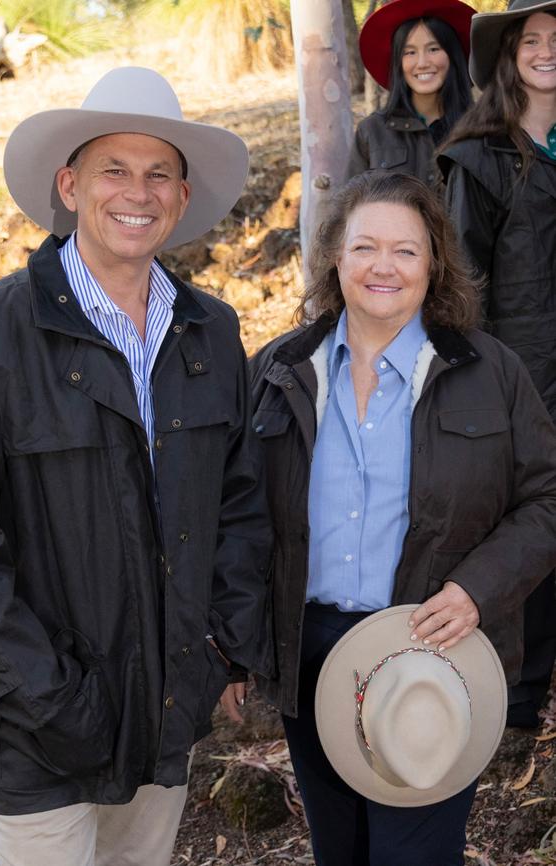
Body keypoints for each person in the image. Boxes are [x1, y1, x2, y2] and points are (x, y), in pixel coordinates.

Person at [0, 66, 273, 866]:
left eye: (158, 174)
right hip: (37, 736)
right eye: (114, 169)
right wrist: (52, 700)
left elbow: (241, 505)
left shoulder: (210, 334)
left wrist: (218, 650)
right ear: (70, 185)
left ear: (180, 197)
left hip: (167, 714)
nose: (134, 192)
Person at [250, 170, 556, 866]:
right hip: (311, 648)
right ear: (336, 257)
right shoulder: (278, 370)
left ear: (435, 264)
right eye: (364, 247)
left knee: (413, 855)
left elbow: (548, 497)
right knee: (341, 852)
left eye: (406, 250)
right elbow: (237, 517)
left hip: (433, 647)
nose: (382, 266)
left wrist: (478, 589)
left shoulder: (490, 371)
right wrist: (238, 642)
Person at [438, 0, 556, 728]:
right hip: (522, 390)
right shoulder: (480, 161)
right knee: (530, 540)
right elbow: (461, 290)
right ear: (510, 55)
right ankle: (513, 707)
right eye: (534, 40)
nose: (548, 51)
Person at [345, 0, 474, 186]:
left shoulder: (481, 130)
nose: (422, 63)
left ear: (453, 56)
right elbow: (348, 208)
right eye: (409, 52)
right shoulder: (372, 132)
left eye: (433, 49)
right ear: (398, 63)